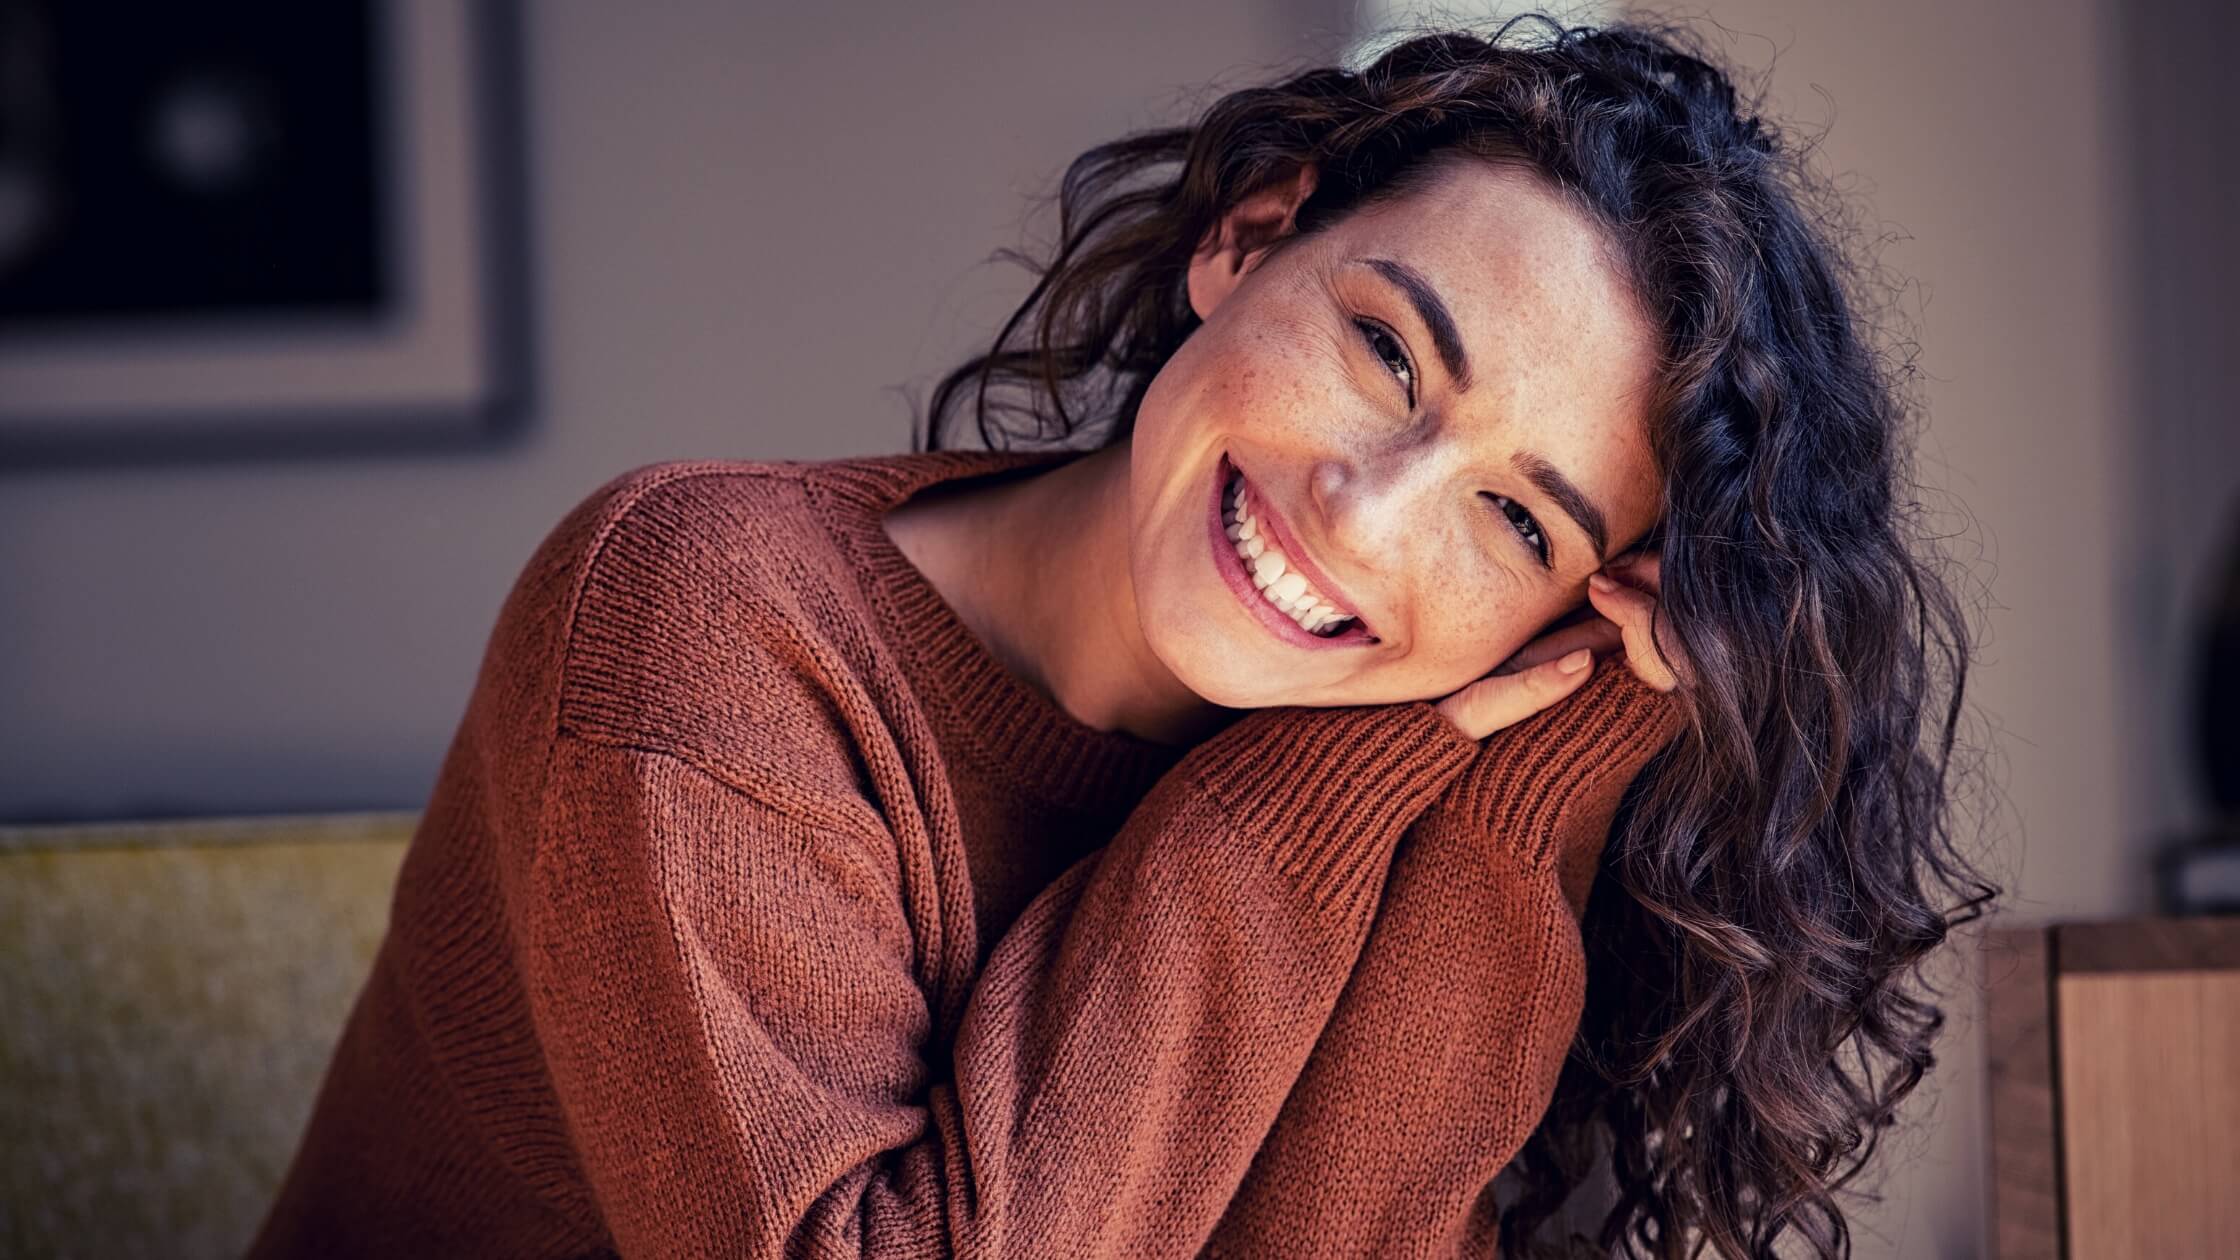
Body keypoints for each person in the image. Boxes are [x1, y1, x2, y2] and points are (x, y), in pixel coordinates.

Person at [248, 14, 1998, 1259]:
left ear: (1574, 611)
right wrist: (1280, 812)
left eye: (1520, 520)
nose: (1366, 512)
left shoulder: (1432, 782)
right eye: (1390, 354)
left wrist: (1517, 779)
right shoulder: (700, 622)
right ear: (1250, 241)